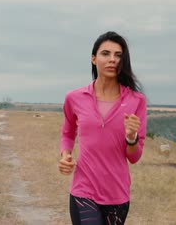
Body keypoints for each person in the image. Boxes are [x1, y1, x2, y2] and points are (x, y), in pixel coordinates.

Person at [58, 31, 147, 225]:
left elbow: (134, 156)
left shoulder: (136, 101)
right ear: (93, 58)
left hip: (117, 194)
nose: (112, 60)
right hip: (84, 190)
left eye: (118, 55)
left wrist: (131, 137)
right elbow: (68, 132)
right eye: (105, 54)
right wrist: (65, 155)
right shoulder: (74, 98)